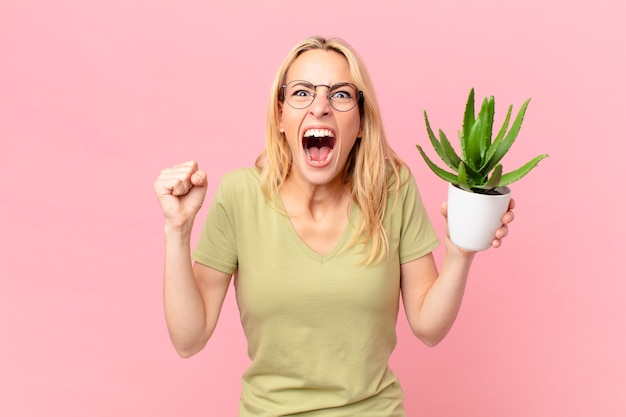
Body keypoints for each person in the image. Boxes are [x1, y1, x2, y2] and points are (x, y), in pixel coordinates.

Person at [153, 36, 514, 417]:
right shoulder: (240, 195)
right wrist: (176, 231)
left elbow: (429, 327)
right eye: (302, 93)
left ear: (360, 122)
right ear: (280, 116)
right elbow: (188, 340)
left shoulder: (392, 191)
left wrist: (459, 254)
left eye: (340, 95)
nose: (320, 107)